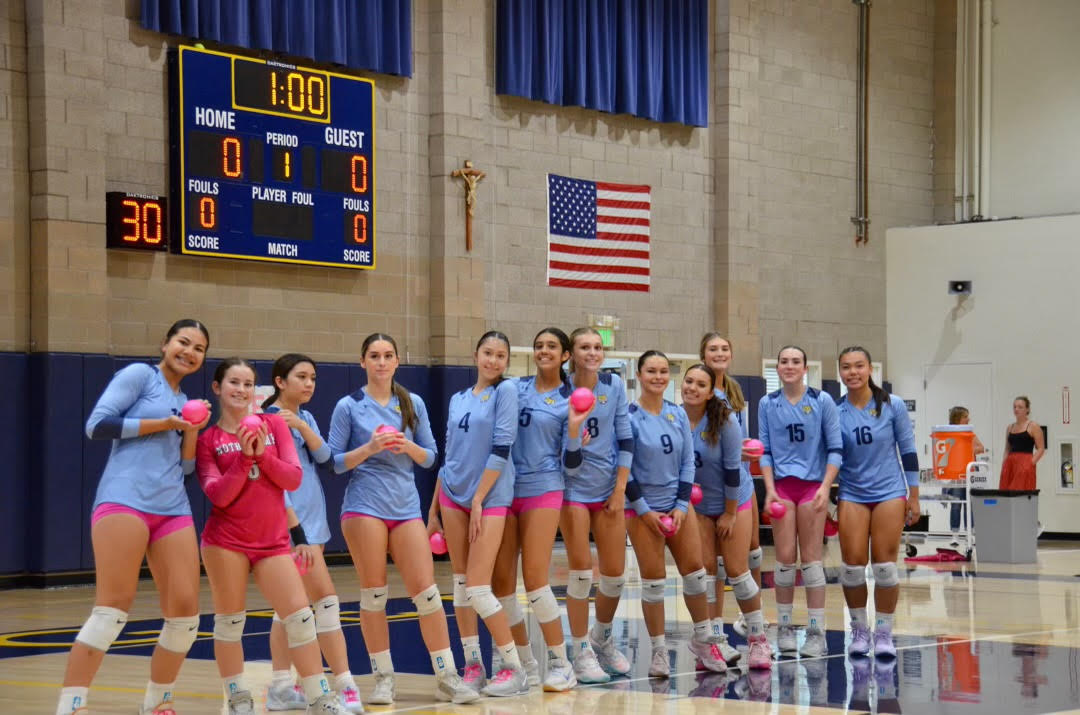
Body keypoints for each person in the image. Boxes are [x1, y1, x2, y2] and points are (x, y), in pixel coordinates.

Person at [57, 320, 210, 715]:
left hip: (172, 507)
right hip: (124, 500)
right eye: (183, 342)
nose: (189, 352)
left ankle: (158, 702)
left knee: (185, 615)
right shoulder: (140, 375)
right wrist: (165, 423)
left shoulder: (185, 398)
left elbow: (188, 469)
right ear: (165, 343)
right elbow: (97, 425)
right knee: (111, 611)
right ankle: (72, 705)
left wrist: (191, 429)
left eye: (199, 348)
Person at [327, 334, 477, 705]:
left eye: (388, 355)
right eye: (374, 356)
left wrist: (406, 446)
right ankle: (383, 678)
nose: (381, 361)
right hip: (363, 505)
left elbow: (430, 457)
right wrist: (370, 448)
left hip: (406, 506)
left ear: (397, 361)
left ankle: (446, 675)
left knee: (427, 594)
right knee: (374, 594)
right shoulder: (349, 405)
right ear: (362, 362)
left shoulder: (413, 402)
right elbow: (333, 461)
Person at [196, 358, 349, 715]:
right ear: (218, 388)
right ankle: (237, 697)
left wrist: (260, 454)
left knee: (299, 617)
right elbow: (218, 495)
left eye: (248, 384)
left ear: (256, 391)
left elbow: (293, 479)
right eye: (234, 382)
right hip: (225, 542)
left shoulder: (273, 425)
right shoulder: (209, 441)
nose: (241, 390)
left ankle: (320, 697)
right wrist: (245, 460)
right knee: (230, 622)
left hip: (273, 541)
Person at [427, 331, 527, 697]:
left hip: (490, 497)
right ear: (476, 355)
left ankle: (514, 667)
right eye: (488, 353)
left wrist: (480, 498)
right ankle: (473, 665)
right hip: (453, 495)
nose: (494, 361)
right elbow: (449, 455)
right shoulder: (457, 399)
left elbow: (502, 447)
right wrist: (433, 511)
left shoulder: (507, 392)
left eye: (501, 355)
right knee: (460, 586)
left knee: (479, 587)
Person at [261, 354, 363, 712]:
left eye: (313, 378)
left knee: (288, 611)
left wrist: (304, 428)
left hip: (314, 522)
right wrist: (297, 531)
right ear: (279, 381)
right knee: (326, 602)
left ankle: (280, 687)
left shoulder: (304, 417)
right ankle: (345, 685)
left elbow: (325, 459)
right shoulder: (267, 420)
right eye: (301, 377)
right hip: (291, 527)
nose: (309, 384)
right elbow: (276, 481)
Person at [491, 328, 585, 691]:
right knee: (501, 584)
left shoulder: (570, 399)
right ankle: (523, 663)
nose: (544, 351)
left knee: (534, 580)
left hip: (544, 488)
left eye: (552, 347)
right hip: (505, 488)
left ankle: (562, 663)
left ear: (565, 356)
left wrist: (575, 431)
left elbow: (572, 465)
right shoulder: (513, 388)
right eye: (539, 346)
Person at [625, 350, 728, 678]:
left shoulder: (677, 414)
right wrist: (644, 511)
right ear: (639, 375)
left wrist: (682, 505)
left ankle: (702, 641)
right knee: (653, 584)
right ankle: (658, 652)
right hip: (643, 511)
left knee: (697, 576)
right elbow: (624, 469)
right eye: (650, 371)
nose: (657, 376)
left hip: (679, 507)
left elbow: (687, 461)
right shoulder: (628, 416)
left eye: (662, 371)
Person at [683, 364, 773, 670]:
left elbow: (735, 470)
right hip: (698, 505)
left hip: (733, 499)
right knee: (705, 572)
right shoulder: (675, 418)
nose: (692, 388)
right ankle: (710, 643)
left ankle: (758, 640)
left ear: (711, 392)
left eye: (700, 384)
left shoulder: (725, 421)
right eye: (688, 381)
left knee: (737, 571)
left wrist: (731, 513)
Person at [559, 327, 634, 683]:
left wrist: (620, 489)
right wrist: (575, 439)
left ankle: (601, 638)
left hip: (607, 490)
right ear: (571, 353)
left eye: (597, 347)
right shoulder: (560, 390)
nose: (592, 352)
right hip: (572, 490)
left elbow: (625, 438)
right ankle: (579, 650)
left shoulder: (614, 387)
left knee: (615, 575)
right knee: (580, 573)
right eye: (584, 347)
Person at [836, 346, 920, 658]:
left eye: (859, 366)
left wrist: (914, 495)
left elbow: (908, 451)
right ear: (840, 373)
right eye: (846, 367)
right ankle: (859, 631)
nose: (853, 372)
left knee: (885, 567)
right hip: (852, 493)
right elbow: (831, 454)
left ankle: (884, 633)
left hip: (889, 492)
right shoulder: (836, 410)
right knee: (853, 569)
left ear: (870, 369)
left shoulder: (892, 405)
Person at [758, 346, 842, 657]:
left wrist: (825, 487)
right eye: (784, 361)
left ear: (805, 367)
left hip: (812, 488)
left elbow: (835, 448)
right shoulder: (768, 403)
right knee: (783, 559)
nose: (789, 366)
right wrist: (769, 489)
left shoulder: (822, 401)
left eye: (796, 361)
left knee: (811, 560)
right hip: (781, 488)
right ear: (777, 367)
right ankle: (783, 628)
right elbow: (764, 449)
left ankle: (816, 632)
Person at [699, 333, 765, 639]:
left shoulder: (735, 390)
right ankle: (714, 632)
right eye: (713, 348)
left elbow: (740, 438)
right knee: (713, 566)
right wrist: (732, 451)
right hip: (710, 485)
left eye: (725, 348)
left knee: (752, 553)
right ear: (703, 354)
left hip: (741, 481)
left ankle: (749, 618)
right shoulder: (699, 387)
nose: (719, 353)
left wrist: (747, 450)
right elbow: (702, 440)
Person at [945, 406, 986, 546]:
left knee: (970, 505)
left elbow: (981, 448)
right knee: (956, 505)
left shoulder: (971, 435)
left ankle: (970, 534)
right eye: (965, 417)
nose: (969, 419)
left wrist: (969, 448)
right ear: (957, 419)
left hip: (970, 474)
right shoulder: (949, 434)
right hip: (956, 475)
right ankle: (955, 535)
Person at [1000, 396, 1044, 491]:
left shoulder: (1033, 426)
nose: (1016, 409)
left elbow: (1041, 448)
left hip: (1025, 462)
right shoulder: (1010, 427)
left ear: (1027, 409)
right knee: (1006, 492)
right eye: (1015, 407)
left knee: (1022, 492)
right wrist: (1004, 465)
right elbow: (1007, 449)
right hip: (1010, 463)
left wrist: (1030, 463)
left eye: (1020, 407)